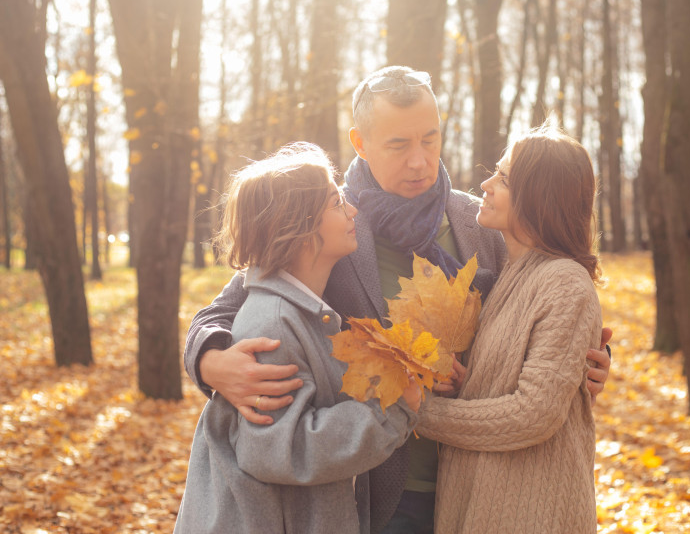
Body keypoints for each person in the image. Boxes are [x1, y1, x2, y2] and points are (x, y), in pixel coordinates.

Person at [184, 66, 613, 533]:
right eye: (398, 145)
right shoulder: (325, 224)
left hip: (476, 484)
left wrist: (578, 361)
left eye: (430, 140)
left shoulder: (482, 223)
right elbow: (225, 311)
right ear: (361, 142)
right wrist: (210, 361)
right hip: (376, 490)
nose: (419, 161)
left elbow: (534, 308)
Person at [174, 143, 421, 534]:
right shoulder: (272, 325)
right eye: (336, 202)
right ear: (301, 227)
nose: (352, 210)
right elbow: (278, 449)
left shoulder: (304, 312)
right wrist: (388, 412)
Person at [415, 121, 602, 533]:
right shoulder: (510, 275)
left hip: (533, 513)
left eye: (502, 178)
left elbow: (532, 413)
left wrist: (418, 412)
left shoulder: (564, 281)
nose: (486, 183)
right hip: (481, 507)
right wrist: (465, 382)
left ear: (538, 198)